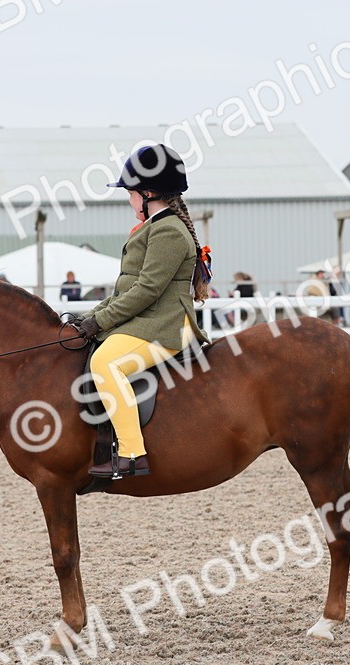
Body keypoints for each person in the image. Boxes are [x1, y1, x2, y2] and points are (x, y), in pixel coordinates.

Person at [75, 143, 211, 478]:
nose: (129, 200)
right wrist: (91, 317)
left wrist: (101, 321)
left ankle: (133, 454)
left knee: (104, 362)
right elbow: (126, 287)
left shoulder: (167, 230)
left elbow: (147, 290)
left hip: (166, 326)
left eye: (131, 194)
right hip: (150, 320)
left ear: (147, 193)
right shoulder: (155, 226)